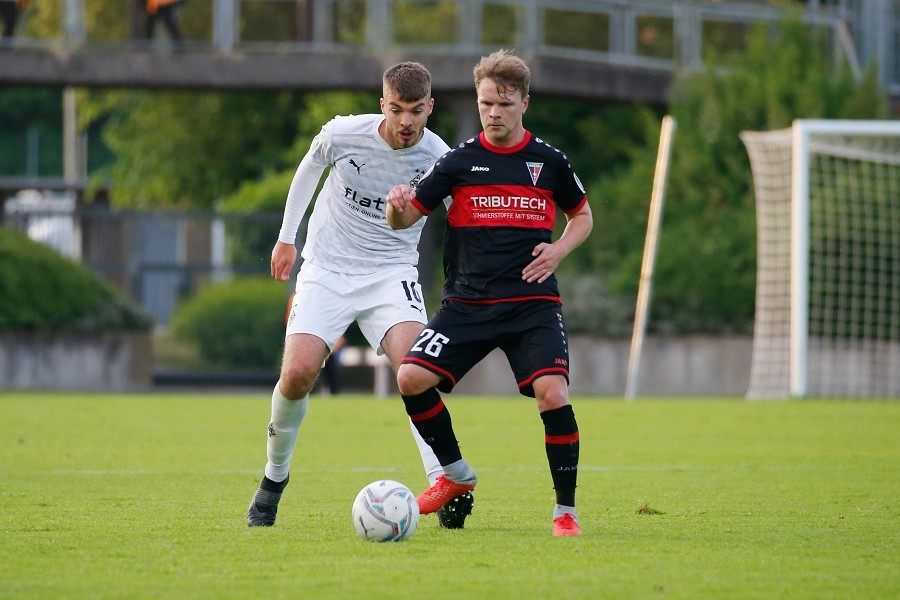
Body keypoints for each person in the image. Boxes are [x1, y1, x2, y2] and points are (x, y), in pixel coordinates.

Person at [247, 61, 474, 530]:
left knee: (417, 371)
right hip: (326, 268)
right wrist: (287, 237)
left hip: (391, 274)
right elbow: (308, 171)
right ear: (382, 105)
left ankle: (444, 481)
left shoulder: (438, 156)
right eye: (396, 109)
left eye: (416, 111)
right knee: (296, 374)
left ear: (430, 107)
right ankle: (274, 479)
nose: (406, 122)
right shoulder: (342, 135)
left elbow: (463, 218)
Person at [386, 49, 593, 536]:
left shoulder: (549, 161)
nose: (493, 113)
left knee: (552, 392)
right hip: (466, 304)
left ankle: (566, 512)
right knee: (411, 377)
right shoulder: (458, 162)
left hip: (531, 305)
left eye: (504, 104)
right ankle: (456, 476)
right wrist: (396, 207)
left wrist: (559, 250)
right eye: (485, 104)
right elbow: (408, 216)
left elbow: (581, 216)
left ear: (524, 103)